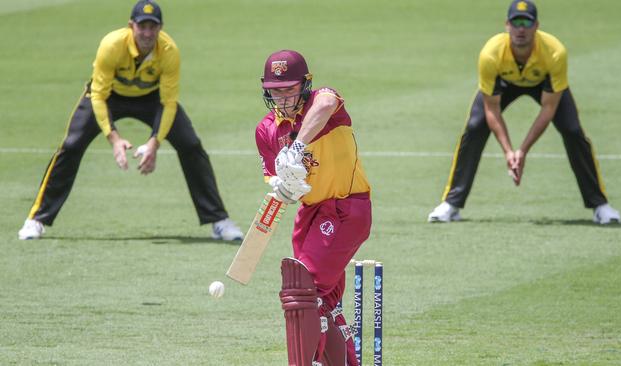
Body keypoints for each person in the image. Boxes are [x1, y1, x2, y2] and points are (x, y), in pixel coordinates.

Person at [17, 0, 243, 241]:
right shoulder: (111, 45)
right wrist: (114, 138)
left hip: (151, 97)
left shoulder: (168, 51)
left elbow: (169, 103)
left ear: (160, 28)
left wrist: (154, 143)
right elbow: (98, 95)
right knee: (71, 145)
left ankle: (219, 221)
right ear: (131, 26)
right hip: (108, 97)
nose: (147, 33)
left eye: (152, 27)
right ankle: (36, 219)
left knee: (190, 145)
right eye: (142, 26)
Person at [428, 0, 621, 225]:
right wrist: (509, 152)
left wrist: (523, 150)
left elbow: (549, 109)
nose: (521, 29)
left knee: (572, 130)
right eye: (515, 22)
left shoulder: (555, 52)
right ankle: (451, 204)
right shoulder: (490, 54)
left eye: (526, 23)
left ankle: (600, 205)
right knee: (475, 127)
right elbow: (492, 109)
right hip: (505, 81)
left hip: (544, 83)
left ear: (536, 25)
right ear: (506, 25)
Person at [255, 50, 372, 366]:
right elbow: (275, 178)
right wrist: (283, 187)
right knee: (325, 301)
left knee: (303, 293)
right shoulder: (266, 130)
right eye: (275, 90)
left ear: (305, 84)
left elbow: (325, 103)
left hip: (346, 208)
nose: (281, 97)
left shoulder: (324, 103)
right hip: (310, 214)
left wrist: (297, 148)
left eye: (289, 88)